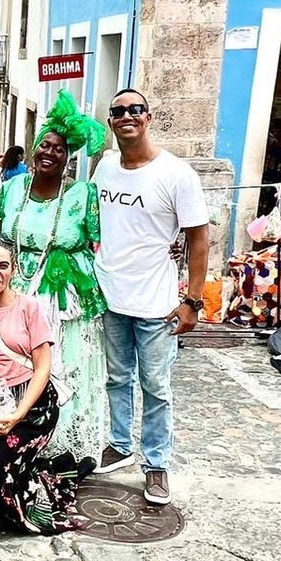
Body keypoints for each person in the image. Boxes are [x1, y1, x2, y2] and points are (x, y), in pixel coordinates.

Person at [0, 91, 108, 462]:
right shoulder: (13, 188)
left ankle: (59, 443)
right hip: (15, 286)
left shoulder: (83, 194)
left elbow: (101, 242)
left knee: (62, 363)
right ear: (34, 150)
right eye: (44, 145)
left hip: (63, 294)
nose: (50, 153)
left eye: (59, 149)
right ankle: (9, 427)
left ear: (69, 157)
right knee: (11, 359)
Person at [92, 88, 209, 506]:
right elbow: (96, 221)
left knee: (156, 386)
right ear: (111, 121)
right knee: (116, 377)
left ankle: (156, 463)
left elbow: (199, 238)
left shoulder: (177, 173)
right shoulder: (105, 167)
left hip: (157, 302)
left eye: (135, 109)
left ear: (148, 117)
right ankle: (120, 444)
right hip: (110, 296)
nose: (127, 116)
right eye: (119, 111)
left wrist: (193, 300)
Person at [0, 239, 95, 535]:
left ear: (14, 270)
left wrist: (18, 414)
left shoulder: (30, 308)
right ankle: (51, 473)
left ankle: (22, 510)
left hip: (35, 405)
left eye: (3, 266)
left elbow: (43, 367)